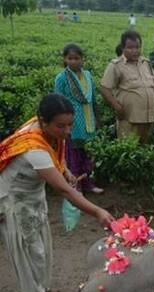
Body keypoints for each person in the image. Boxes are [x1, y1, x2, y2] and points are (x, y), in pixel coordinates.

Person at [0, 94, 114, 292]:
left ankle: (44, 287)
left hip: (32, 194)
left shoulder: (45, 133)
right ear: (43, 121)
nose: (67, 131)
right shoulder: (33, 146)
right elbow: (63, 190)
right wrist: (98, 212)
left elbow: (55, 160)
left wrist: (66, 171)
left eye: (70, 125)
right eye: (60, 126)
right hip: (13, 199)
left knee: (41, 245)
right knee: (26, 250)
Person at [53, 44, 103, 194]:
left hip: (89, 122)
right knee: (73, 156)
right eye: (70, 58)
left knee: (88, 156)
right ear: (65, 59)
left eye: (76, 58)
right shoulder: (61, 78)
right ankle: (76, 187)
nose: (73, 61)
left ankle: (89, 183)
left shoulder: (87, 75)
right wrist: (61, 126)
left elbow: (93, 98)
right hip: (72, 124)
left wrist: (97, 117)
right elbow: (58, 101)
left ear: (82, 59)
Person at [100, 31, 154, 144]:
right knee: (129, 151)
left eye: (137, 47)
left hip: (148, 118)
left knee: (145, 150)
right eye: (130, 48)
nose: (135, 51)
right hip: (129, 119)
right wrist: (117, 107)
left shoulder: (146, 63)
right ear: (123, 48)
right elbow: (104, 88)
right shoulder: (116, 65)